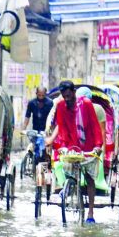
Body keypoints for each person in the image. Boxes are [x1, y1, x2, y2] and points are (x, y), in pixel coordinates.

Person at [45, 80, 103, 223]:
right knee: (68, 171)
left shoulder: (87, 105)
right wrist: (62, 146)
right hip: (72, 145)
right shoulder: (60, 106)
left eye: (69, 96)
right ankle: (70, 188)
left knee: (90, 178)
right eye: (64, 97)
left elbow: (95, 126)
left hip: (89, 145)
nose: (67, 100)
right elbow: (62, 127)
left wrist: (98, 145)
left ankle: (90, 213)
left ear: (74, 93)